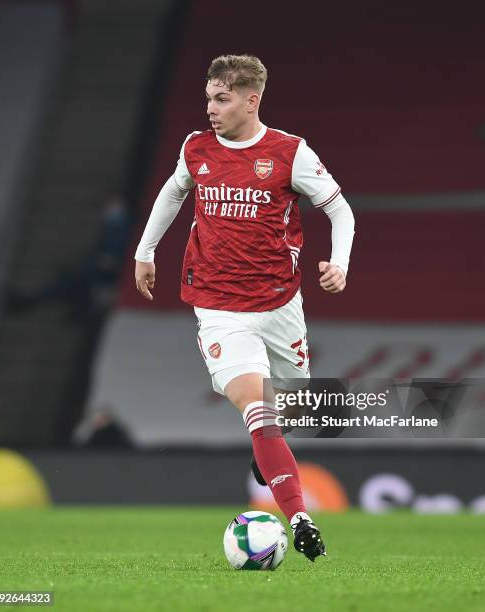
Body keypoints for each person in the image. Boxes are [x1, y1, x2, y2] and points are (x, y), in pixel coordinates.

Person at [134, 55, 355, 562]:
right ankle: (299, 518)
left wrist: (339, 263)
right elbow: (173, 193)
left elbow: (339, 208)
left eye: (222, 99)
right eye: (209, 98)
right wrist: (145, 252)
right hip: (218, 308)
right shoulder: (196, 148)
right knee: (260, 413)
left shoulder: (288, 152)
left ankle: (265, 462)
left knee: (291, 409)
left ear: (251, 100)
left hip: (279, 304)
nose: (210, 109)